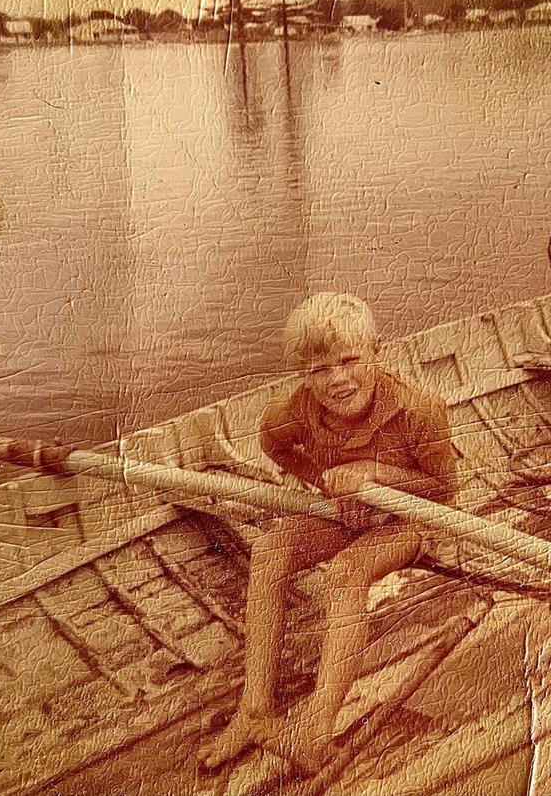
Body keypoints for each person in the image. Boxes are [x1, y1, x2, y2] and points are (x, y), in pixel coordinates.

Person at [198, 292, 458, 775]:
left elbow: (445, 494)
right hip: (346, 513)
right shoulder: (292, 410)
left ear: (376, 350)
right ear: (303, 375)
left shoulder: (421, 409)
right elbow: (273, 445)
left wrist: (376, 473)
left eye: (350, 360)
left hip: (412, 519)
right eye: (318, 370)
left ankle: (315, 728)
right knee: (272, 549)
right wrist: (323, 480)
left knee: (346, 570)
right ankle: (254, 710)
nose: (337, 379)